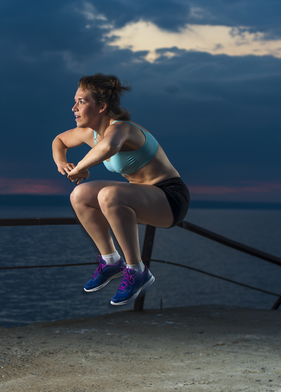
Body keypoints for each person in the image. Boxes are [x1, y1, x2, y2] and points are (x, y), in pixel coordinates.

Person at [52, 73, 190, 306]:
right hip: (139, 194)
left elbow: (109, 147)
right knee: (80, 195)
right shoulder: (90, 134)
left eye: (82, 102)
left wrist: (82, 167)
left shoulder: (123, 129)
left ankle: (137, 271)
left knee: (109, 195)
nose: (74, 107)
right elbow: (59, 140)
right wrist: (62, 163)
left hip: (169, 198)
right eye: (75, 101)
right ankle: (111, 261)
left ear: (102, 106)